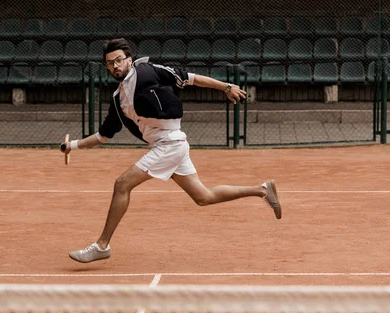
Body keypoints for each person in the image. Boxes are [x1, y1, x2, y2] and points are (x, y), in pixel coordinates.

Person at [61, 38, 281, 263]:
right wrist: (73, 145)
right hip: (166, 145)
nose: (115, 66)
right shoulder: (118, 100)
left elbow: (190, 78)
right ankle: (262, 190)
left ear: (129, 59)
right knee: (203, 197)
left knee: (122, 184)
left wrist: (225, 87)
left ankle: (102, 245)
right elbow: (103, 136)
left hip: (170, 143)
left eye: (118, 60)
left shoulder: (147, 71)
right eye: (110, 63)